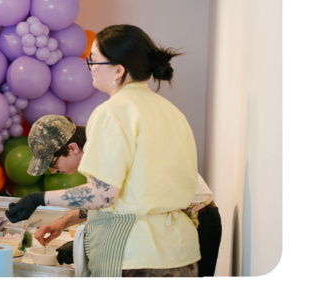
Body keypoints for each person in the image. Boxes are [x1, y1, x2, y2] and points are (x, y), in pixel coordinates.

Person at [5, 24, 201, 278]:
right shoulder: (171, 111)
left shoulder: (113, 112)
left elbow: (103, 195)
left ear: (118, 70)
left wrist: (38, 199)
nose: (89, 67)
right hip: (181, 252)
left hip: (137, 255)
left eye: (94, 60)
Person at [27, 115, 221, 278]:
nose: (52, 171)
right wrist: (61, 224)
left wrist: (86, 245)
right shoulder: (96, 154)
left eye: (52, 163)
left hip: (196, 218)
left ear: (73, 148)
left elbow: (116, 208)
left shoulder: (109, 153)